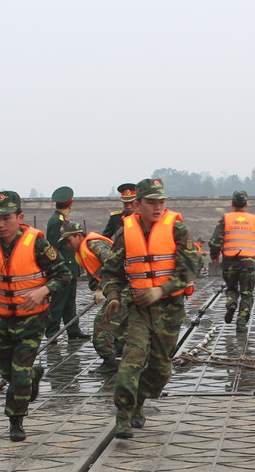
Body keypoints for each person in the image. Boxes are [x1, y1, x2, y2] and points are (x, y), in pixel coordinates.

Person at [0, 190, 72, 440]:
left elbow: (63, 274)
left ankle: (16, 421)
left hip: (31, 320)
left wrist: (43, 290)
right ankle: (32, 376)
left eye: (7, 218)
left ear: (19, 216)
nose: (1, 224)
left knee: (19, 375)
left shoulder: (36, 243)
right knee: (7, 371)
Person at [99, 178, 200, 439]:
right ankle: (123, 416)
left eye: (161, 202)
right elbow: (111, 271)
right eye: (151, 202)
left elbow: (190, 268)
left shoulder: (177, 229)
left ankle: (139, 401)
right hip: (139, 309)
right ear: (138, 204)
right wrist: (112, 296)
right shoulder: (124, 233)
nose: (157, 207)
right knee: (131, 362)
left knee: (161, 370)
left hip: (169, 309)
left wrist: (162, 289)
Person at [59, 220, 125, 374]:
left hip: (121, 291)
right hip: (118, 291)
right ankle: (125, 359)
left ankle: (110, 362)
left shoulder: (95, 244)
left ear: (78, 236)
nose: (68, 245)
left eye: (69, 240)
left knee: (101, 328)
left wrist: (101, 289)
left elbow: (112, 264)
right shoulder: (81, 251)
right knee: (122, 329)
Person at [210, 190, 255, 332]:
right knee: (247, 293)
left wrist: (214, 257)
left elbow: (215, 242)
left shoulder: (225, 219)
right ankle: (241, 321)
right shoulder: (253, 219)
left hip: (230, 261)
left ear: (232, 204)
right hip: (248, 262)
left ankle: (232, 303)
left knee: (232, 289)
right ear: (246, 204)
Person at [45, 186, 88, 341]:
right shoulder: (57, 221)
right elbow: (54, 247)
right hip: (63, 268)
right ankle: (52, 332)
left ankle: (73, 329)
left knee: (70, 302)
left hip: (70, 268)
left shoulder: (62, 220)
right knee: (58, 303)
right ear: (70, 204)